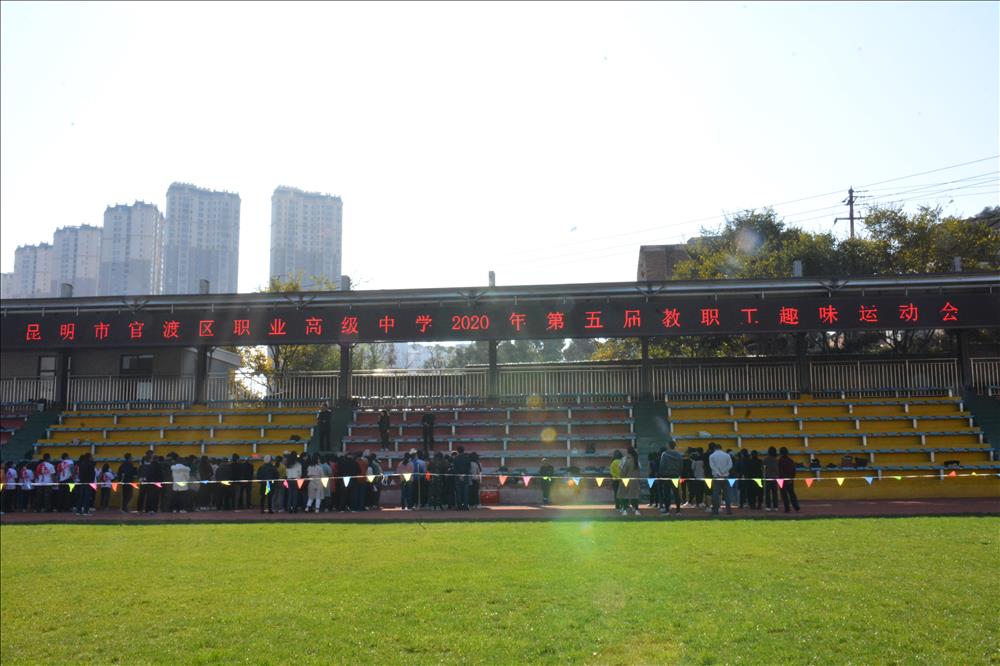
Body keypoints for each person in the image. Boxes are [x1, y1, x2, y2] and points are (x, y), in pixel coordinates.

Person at [708, 442, 733, 516]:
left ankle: (715, 511)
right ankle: (728, 510)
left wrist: (719, 472)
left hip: (716, 477)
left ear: (715, 448)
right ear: (721, 448)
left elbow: (712, 466)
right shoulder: (727, 455)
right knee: (727, 494)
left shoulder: (712, 456)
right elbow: (730, 465)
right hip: (725, 476)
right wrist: (723, 471)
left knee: (715, 494)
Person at [659, 442, 684, 515]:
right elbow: (681, 465)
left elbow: (662, 465)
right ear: (674, 446)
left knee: (666, 492)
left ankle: (667, 510)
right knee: (676, 493)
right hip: (675, 475)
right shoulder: (678, 455)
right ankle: (678, 510)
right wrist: (678, 473)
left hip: (666, 476)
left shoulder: (664, 454)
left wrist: (662, 474)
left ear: (668, 446)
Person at [617, 447, 642, 516]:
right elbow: (640, 470)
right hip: (635, 481)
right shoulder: (636, 460)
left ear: (628, 452)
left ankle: (625, 510)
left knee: (624, 495)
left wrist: (620, 477)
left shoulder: (626, 460)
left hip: (626, 480)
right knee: (635, 496)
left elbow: (623, 471)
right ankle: (636, 510)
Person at [778, 446, 801, 513]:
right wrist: (791, 478)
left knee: (784, 494)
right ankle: (796, 506)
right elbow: (793, 470)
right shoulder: (790, 460)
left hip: (782, 480)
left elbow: (779, 471)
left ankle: (787, 508)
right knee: (791, 493)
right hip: (790, 479)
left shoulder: (779, 461)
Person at [452, 446, 471, 510]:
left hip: (457, 477)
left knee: (458, 493)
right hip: (465, 477)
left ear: (457, 451)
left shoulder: (455, 459)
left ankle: (459, 506)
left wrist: (459, 475)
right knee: (466, 493)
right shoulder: (467, 458)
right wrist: (463, 475)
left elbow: (455, 469)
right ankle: (465, 506)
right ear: (463, 451)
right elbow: (468, 468)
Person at [763, 446, 780, 512]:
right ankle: (775, 507)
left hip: (767, 478)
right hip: (775, 478)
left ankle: (768, 506)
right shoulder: (776, 460)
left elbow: (763, 468)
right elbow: (777, 469)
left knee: (767, 493)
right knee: (775, 493)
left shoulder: (765, 459)